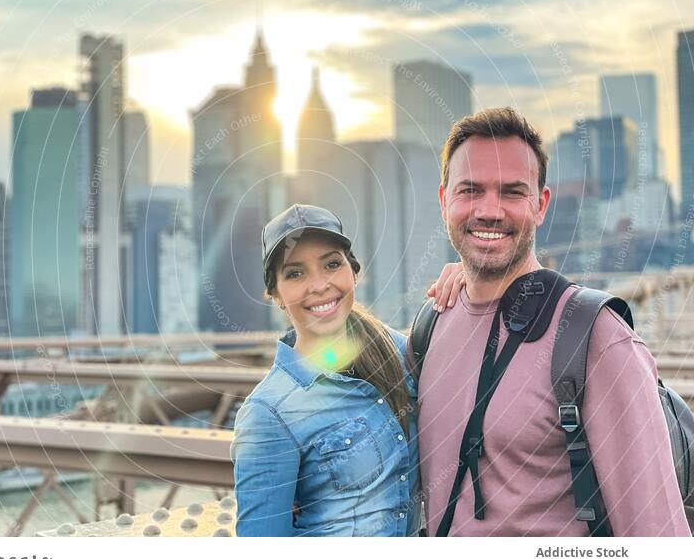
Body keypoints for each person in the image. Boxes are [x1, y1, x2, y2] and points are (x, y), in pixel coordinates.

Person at [409, 106, 690, 536]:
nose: (489, 210)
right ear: (444, 200)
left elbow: (658, 539)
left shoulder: (595, 339)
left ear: (540, 205)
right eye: (471, 190)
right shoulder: (430, 327)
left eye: (511, 192)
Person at [230, 204, 462, 536]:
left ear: (353, 272)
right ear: (276, 294)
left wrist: (471, 277)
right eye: (295, 273)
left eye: (332, 264)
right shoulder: (268, 414)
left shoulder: (405, 354)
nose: (319, 285)